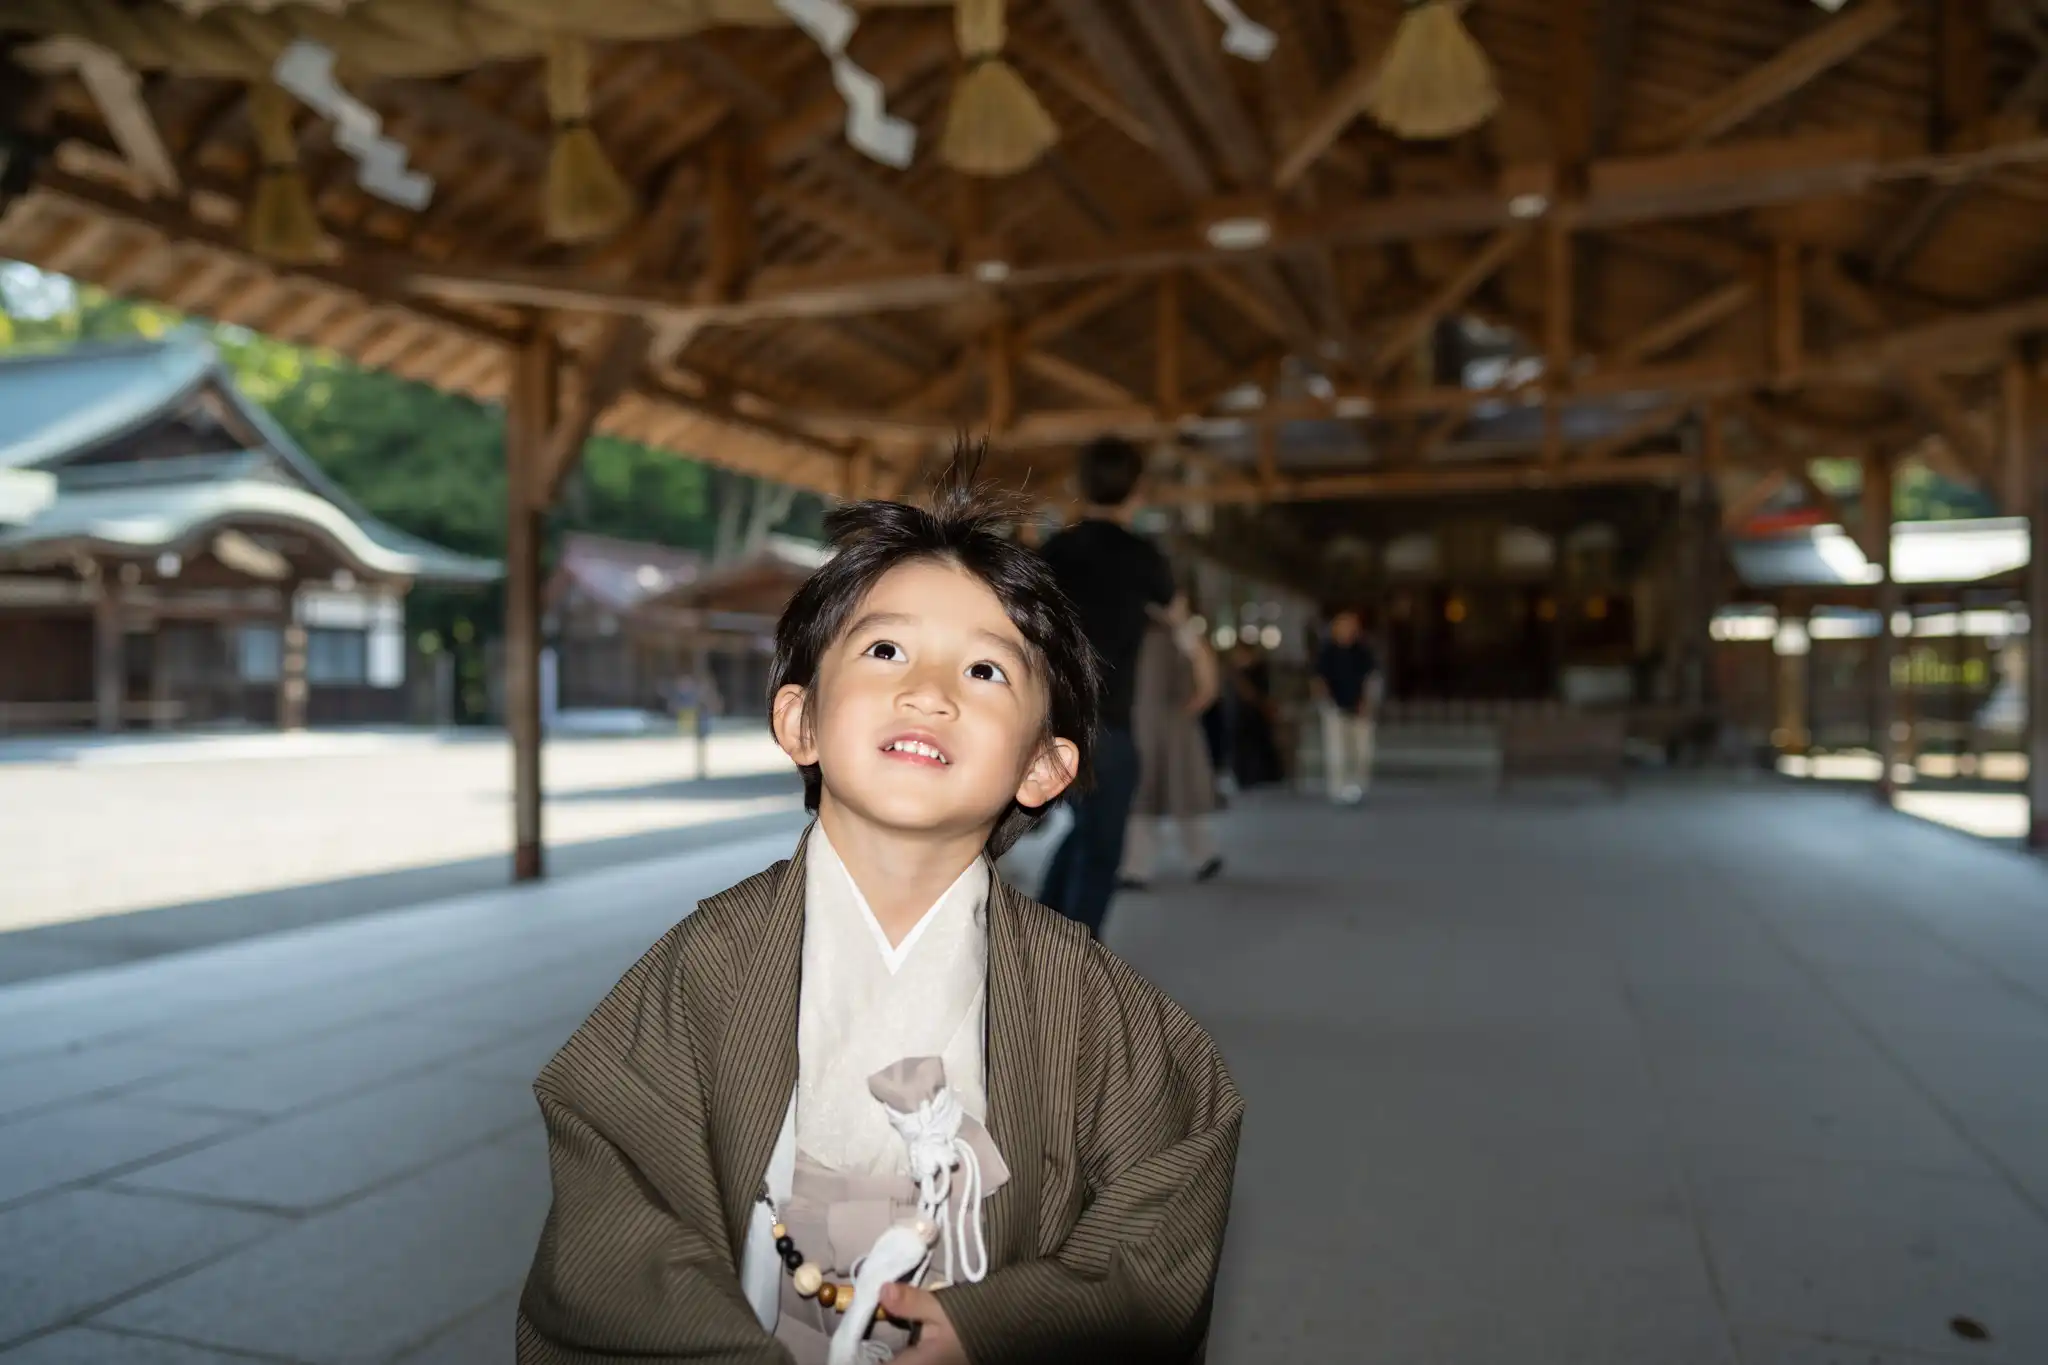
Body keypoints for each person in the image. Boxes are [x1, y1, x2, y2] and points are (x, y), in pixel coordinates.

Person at [517, 471, 1243, 1365]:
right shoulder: (709, 964)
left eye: (984, 670)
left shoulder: (1088, 999)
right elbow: (617, 1212)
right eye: (887, 650)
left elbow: (1164, 1205)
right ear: (801, 719)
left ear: (1044, 768)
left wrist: (1005, 1323)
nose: (930, 691)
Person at [1033, 436, 1177, 937]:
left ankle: (1037, 938)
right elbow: (1177, 616)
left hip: (1054, 719)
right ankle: (1069, 964)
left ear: (1081, 485)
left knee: (1085, 831)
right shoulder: (1143, 557)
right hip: (1110, 721)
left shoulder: (1054, 551)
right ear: (1138, 490)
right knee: (1101, 849)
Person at [1120, 598, 1223, 889]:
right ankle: (1141, 866)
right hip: (1159, 722)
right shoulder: (1173, 632)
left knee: (1157, 792)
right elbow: (1208, 679)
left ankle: (1142, 867)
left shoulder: (1163, 632)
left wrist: (1199, 701)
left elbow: (1207, 678)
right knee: (1154, 793)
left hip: (1153, 721)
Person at [1314, 608, 1379, 804]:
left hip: (1359, 706)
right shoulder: (1327, 651)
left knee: (1362, 750)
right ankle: (1338, 787)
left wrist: (1367, 701)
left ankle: (1358, 785)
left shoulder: (1363, 651)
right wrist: (1326, 702)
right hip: (1335, 706)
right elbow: (1319, 679)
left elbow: (1371, 678)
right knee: (1337, 750)